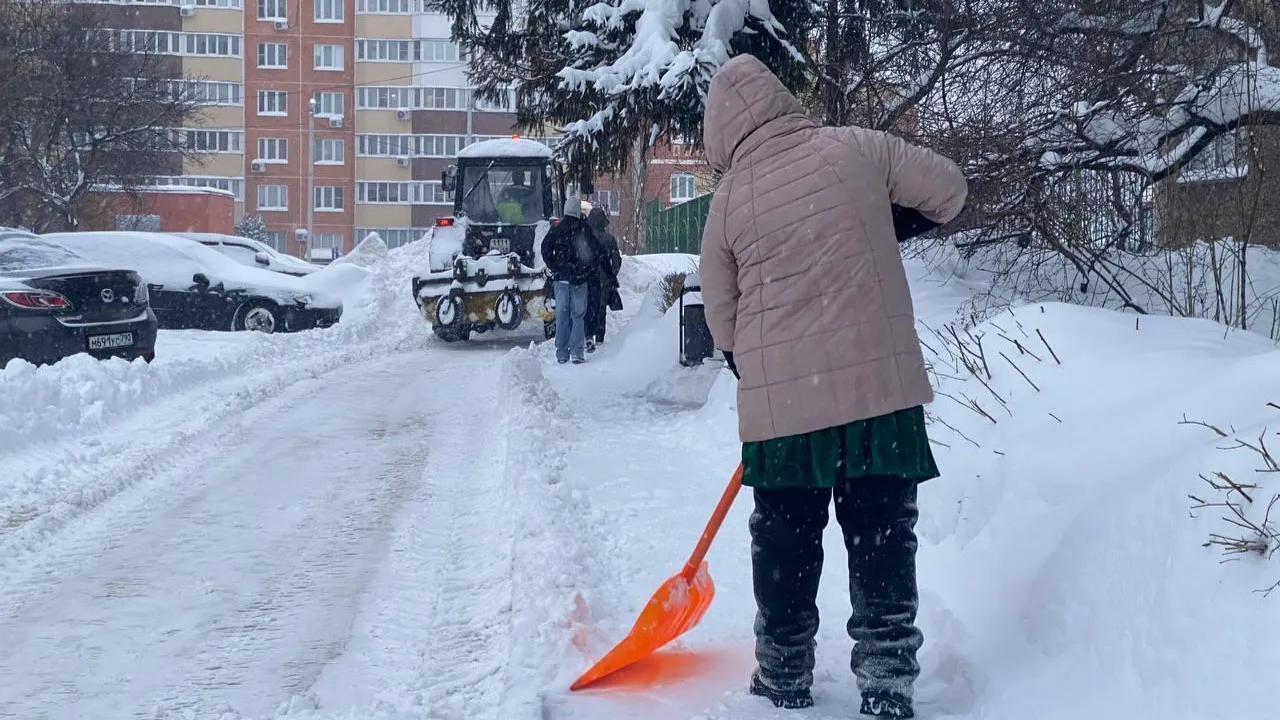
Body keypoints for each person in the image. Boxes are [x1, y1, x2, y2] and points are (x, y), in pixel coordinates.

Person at [697, 54, 967, 719]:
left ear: (721, 133)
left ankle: (784, 672)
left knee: (786, 536)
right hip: (880, 395)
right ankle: (887, 676)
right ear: (782, 99)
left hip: (785, 410)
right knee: (881, 529)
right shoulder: (857, 148)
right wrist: (884, 220)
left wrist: (742, 358)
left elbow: (719, 310)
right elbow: (950, 190)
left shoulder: (730, 201)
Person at [541, 197, 603, 364]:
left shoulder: (556, 229)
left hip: (561, 281)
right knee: (578, 316)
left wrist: (554, 266)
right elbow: (596, 252)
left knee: (562, 316)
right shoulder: (584, 229)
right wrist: (587, 269)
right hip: (579, 281)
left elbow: (545, 248)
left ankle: (561, 353)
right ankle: (577, 352)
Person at [583, 205, 622, 351]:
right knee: (601, 308)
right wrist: (611, 274)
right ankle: (600, 337)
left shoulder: (584, 237)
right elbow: (617, 261)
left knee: (588, 307)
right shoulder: (609, 239)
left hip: (587, 278)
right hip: (604, 279)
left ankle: (588, 336)